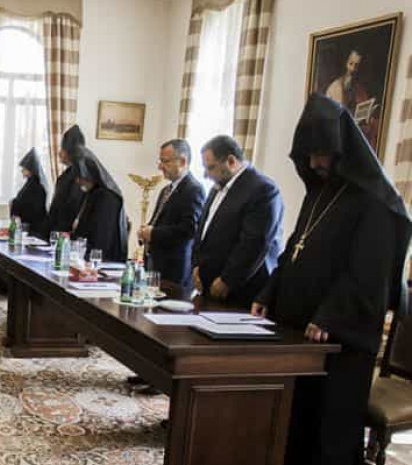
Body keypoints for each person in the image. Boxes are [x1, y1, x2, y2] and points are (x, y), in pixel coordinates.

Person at [252, 93, 412, 465]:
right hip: (302, 332)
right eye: (308, 154)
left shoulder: (373, 200)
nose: (314, 163)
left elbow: (369, 270)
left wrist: (330, 315)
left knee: (329, 431)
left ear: (342, 150)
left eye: (321, 153)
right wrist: (268, 291)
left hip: (341, 339)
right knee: (297, 422)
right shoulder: (319, 194)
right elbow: (295, 248)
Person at [192, 135, 283, 308]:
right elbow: (202, 229)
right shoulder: (216, 188)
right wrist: (196, 265)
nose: (205, 175)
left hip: (240, 289)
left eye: (211, 167)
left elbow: (255, 242)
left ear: (231, 161)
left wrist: (228, 280)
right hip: (209, 285)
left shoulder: (262, 189)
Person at [138, 139, 205, 288]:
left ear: (182, 161)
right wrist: (145, 231)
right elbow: (157, 222)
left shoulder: (194, 189)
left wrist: (153, 233)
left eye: (165, 161)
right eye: (160, 161)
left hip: (175, 270)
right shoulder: (166, 190)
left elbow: (188, 229)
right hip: (155, 264)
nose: (160, 166)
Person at [73, 149, 128, 262]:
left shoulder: (107, 197)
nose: (77, 181)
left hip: (102, 261)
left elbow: (101, 239)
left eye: (80, 177)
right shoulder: (93, 193)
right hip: (86, 257)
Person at [48, 125, 86, 235]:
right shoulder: (68, 173)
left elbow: (70, 207)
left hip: (66, 233)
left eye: (62, 149)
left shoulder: (80, 176)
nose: (59, 153)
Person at [10, 147, 49, 239]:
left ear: (31, 169)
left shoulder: (38, 187)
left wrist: (15, 203)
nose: (22, 170)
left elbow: (33, 210)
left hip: (34, 230)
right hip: (27, 229)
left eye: (24, 168)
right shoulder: (29, 184)